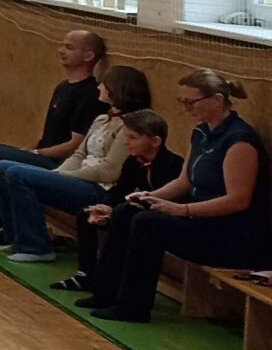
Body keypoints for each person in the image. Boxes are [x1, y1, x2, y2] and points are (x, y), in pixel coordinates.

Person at [75, 69, 269, 322]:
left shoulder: (240, 141)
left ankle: (134, 307)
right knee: (126, 211)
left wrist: (181, 210)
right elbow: (184, 181)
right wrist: (149, 197)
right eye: (182, 101)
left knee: (148, 223)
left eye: (191, 102)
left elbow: (238, 200)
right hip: (202, 222)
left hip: (232, 234)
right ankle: (104, 293)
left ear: (217, 100)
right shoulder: (200, 133)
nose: (186, 108)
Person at [0, 66, 150, 261]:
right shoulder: (101, 119)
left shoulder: (128, 126)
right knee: (1, 167)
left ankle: (36, 246)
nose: (99, 87)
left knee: (15, 174)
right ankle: (16, 236)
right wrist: (58, 173)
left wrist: (68, 176)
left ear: (118, 89)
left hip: (98, 188)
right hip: (78, 178)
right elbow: (79, 155)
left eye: (104, 84)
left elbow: (110, 171)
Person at [0, 30, 110, 235]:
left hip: (60, 164)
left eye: (69, 47)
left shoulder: (90, 94)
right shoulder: (63, 87)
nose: (61, 51)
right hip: (44, 154)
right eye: (62, 45)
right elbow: (47, 136)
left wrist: (37, 153)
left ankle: (13, 227)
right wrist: (28, 149)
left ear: (88, 56)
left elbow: (75, 145)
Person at [49, 111, 180, 293]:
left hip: (157, 217)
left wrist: (115, 210)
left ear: (155, 141)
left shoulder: (173, 165)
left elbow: (165, 202)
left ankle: (109, 285)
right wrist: (105, 207)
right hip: (133, 211)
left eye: (133, 138)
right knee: (86, 216)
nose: (127, 142)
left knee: (124, 218)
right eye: (126, 137)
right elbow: (120, 191)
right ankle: (85, 275)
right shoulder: (133, 162)